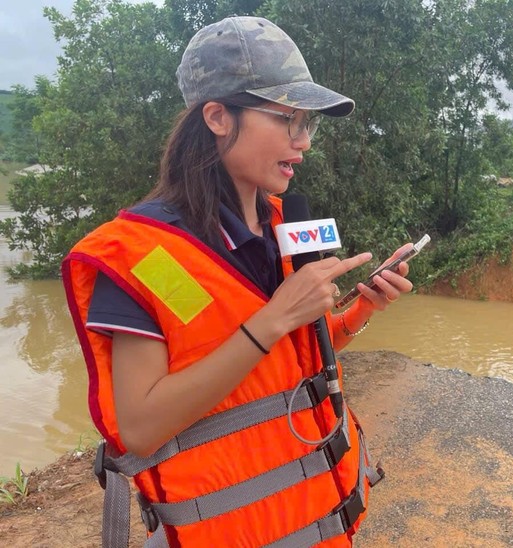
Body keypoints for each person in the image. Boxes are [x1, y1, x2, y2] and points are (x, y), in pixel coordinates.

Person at [61, 16, 412, 547]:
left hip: (316, 522)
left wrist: (359, 311)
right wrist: (272, 319)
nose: (304, 142)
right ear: (218, 116)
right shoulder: (150, 258)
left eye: (309, 124)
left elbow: (293, 356)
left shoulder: (282, 227)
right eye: (289, 120)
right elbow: (140, 426)